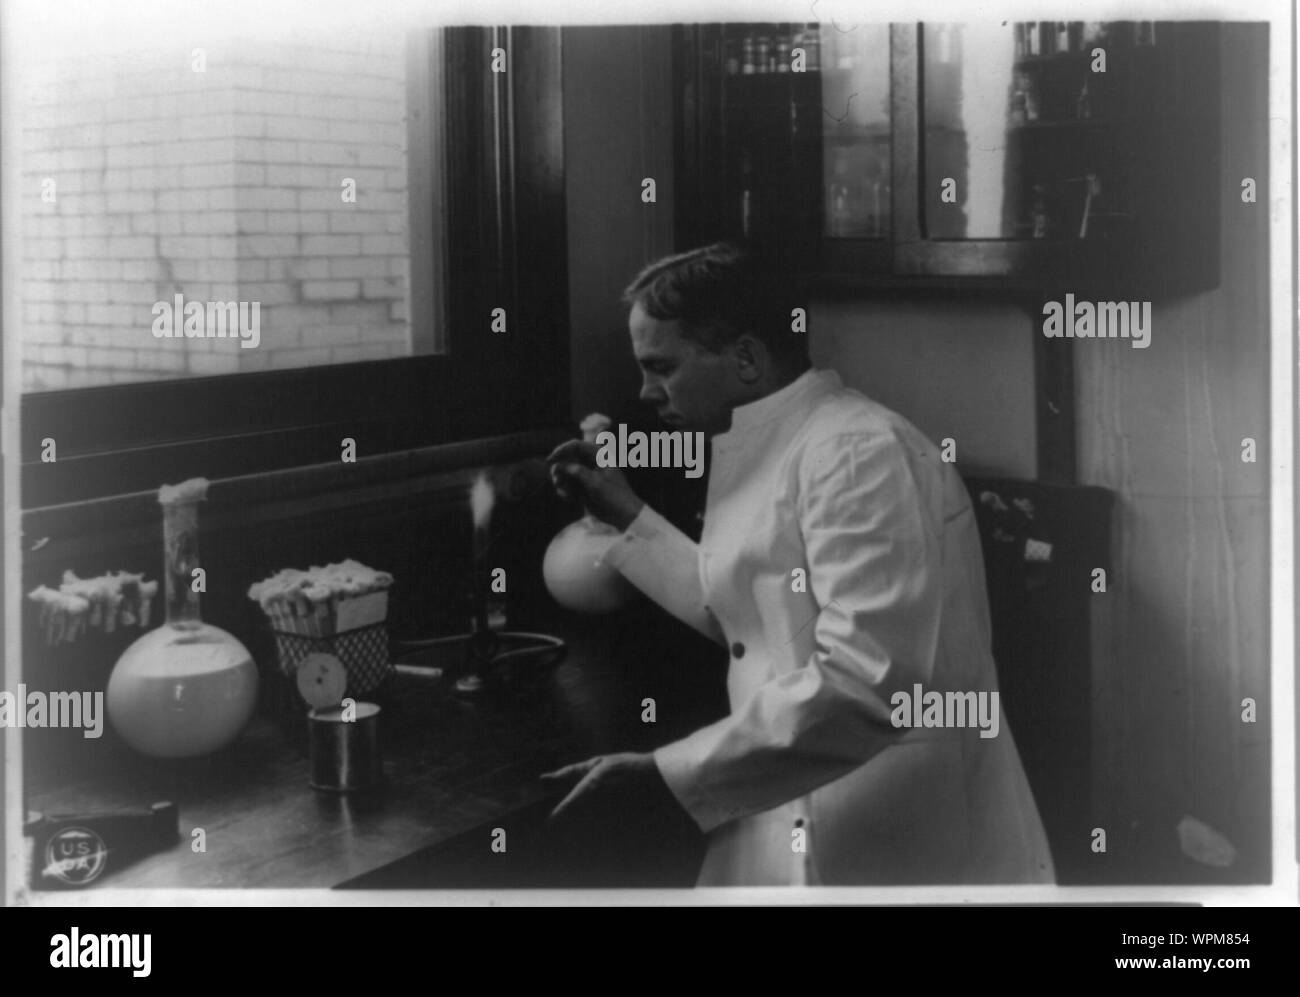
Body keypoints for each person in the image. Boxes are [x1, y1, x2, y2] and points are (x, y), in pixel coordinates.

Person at [542, 242, 1054, 886]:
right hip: (792, 793)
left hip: (883, 817)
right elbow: (745, 615)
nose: (646, 392)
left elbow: (868, 680)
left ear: (748, 358)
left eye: (661, 367)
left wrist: (669, 773)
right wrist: (624, 514)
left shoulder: (857, 452)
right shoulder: (775, 438)